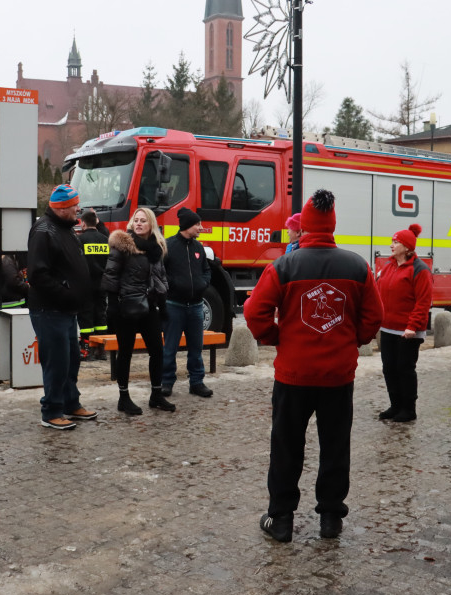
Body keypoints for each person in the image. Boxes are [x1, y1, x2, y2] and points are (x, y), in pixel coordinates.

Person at [244, 189, 383, 543]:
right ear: (332, 225)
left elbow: (254, 311)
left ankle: (281, 519)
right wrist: (355, 340)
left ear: (303, 227)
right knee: (335, 446)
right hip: (338, 375)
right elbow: (374, 317)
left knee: (286, 446)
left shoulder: (284, 266)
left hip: (293, 374)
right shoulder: (357, 266)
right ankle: (331, 518)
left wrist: (276, 337)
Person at [26, 184, 97, 430]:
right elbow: (37, 274)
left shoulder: (65, 229)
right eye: (74, 205)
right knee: (56, 362)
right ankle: (52, 411)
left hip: (66, 310)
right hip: (49, 310)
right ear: (62, 208)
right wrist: (65, 293)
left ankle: (70, 403)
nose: (79, 209)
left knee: (70, 360)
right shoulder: (43, 231)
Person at [102, 208, 175, 415]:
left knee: (157, 351)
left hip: (149, 306)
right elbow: (110, 276)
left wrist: (163, 305)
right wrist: (113, 305)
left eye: (143, 220)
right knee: (125, 353)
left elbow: (160, 279)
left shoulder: (155, 248)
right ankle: (123, 397)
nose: (139, 223)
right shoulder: (122, 245)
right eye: (136, 220)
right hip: (127, 307)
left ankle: (156, 395)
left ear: (151, 224)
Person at [376, 223, 432, 422]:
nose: (392, 245)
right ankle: (395, 405)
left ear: (407, 247)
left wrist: (412, 326)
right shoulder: (388, 266)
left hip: (408, 331)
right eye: (392, 241)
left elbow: (423, 302)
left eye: (396, 242)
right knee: (389, 368)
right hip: (387, 328)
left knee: (404, 369)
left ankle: (409, 409)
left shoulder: (420, 270)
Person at [160, 207, 212, 398]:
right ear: (188, 225)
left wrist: (203, 283)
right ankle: (166, 382)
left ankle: (197, 382)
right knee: (170, 348)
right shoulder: (168, 245)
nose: (201, 227)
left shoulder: (198, 247)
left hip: (196, 306)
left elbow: (207, 270)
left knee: (196, 348)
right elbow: (161, 273)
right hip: (174, 306)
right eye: (198, 224)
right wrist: (174, 285)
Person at [77, 208, 109, 351]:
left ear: (83, 223)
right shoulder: (105, 240)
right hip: (102, 284)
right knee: (101, 317)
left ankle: (86, 349)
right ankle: (101, 350)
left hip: (85, 286)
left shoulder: (79, 240)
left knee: (85, 317)